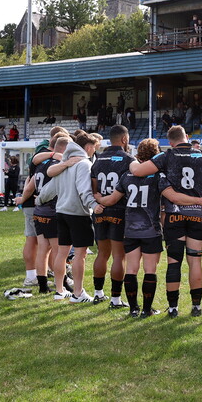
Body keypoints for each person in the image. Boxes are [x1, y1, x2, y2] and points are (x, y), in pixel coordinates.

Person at [129, 125, 202, 318]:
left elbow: (139, 171)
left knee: (173, 262)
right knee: (195, 262)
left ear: (170, 142)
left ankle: (173, 307)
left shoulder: (166, 156)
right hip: (195, 216)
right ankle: (196, 306)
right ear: (186, 137)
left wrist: (132, 164)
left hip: (174, 215)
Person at [94, 139, 169, 317]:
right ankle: (146, 310)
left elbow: (111, 200)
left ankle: (134, 309)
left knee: (131, 269)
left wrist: (98, 198)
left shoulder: (127, 175)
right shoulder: (158, 176)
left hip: (130, 229)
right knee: (150, 269)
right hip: (151, 229)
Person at [36, 132, 101, 303]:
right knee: (80, 255)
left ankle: (59, 291)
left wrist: (39, 199)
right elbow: (84, 190)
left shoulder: (63, 164)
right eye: (94, 148)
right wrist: (95, 206)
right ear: (88, 147)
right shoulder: (84, 164)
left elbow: (49, 189)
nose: (94, 151)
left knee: (62, 253)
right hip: (78, 214)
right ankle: (78, 293)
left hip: (61, 212)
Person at [87, 125, 135, 306]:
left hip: (100, 211)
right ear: (124, 139)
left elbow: (93, 189)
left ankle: (98, 293)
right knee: (118, 256)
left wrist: (100, 200)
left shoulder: (97, 160)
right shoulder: (129, 159)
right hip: (119, 211)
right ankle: (115, 298)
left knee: (102, 254)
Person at [15, 134, 67, 295]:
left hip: (39, 211)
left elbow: (30, 186)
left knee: (43, 249)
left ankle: (43, 286)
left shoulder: (39, 163)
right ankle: (62, 286)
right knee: (59, 252)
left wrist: (22, 199)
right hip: (53, 210)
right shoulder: (60, 164)